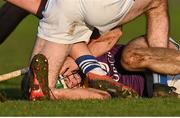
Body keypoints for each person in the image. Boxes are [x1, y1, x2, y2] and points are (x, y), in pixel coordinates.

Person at [4, 0, 180, 99]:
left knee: (130, 58)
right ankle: (159, 83)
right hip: (169, 84)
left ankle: (159, 80)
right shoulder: (94, 91)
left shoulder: (71, 46)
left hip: (156, 52)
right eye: (66, 85)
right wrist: (60, 94)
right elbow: (102, 97)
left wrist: (77, 60)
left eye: (62, 78)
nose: (70, 80)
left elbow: (114, 33)